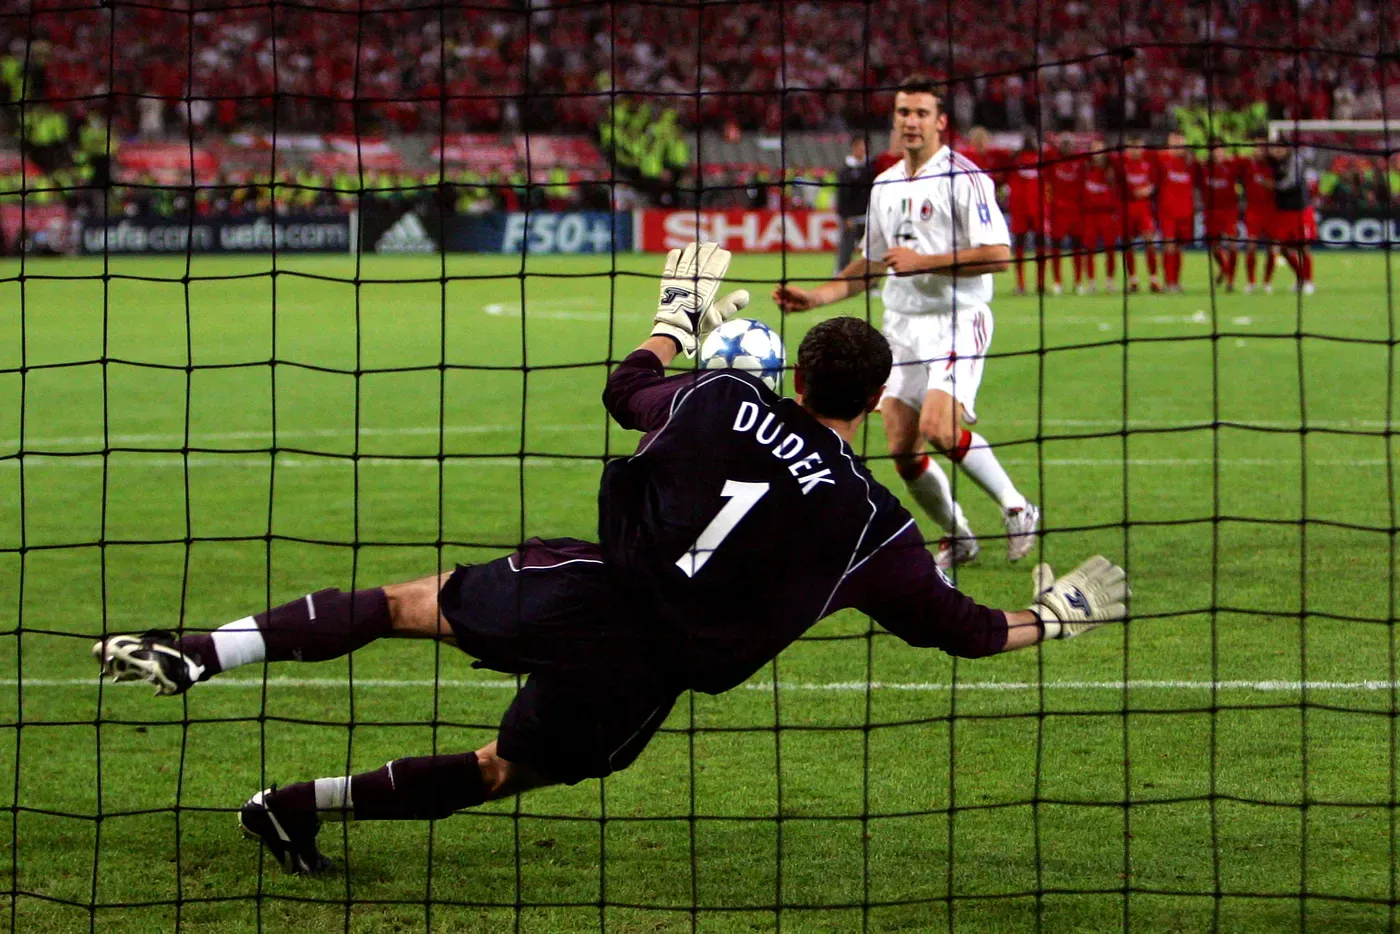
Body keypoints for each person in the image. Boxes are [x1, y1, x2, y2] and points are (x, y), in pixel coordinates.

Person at [91, 242, 1129, 875]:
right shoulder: (873, 522)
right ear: (867, 401)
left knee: (403, 603)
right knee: (503, 770)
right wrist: (1063, 614)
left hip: (587, 587)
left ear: (799, 369)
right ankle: (289, 807)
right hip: (647, 670)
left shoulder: (720, 397)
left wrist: (673, 320)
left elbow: (623, 386)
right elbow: (973, 633)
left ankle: (198, 653)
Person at [772, 75, 1040, 569]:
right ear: (894, 120)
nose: (910, 122)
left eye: (920, 113)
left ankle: (1018, 507)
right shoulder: (886, 183)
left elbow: (1000, 256)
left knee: (940, 427)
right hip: (901, 325)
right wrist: (816, 296)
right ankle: (958, 536)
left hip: (956, 319)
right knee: (901, 447)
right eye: (902, 113)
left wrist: (926, 261)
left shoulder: (965, 177)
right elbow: (869, 264)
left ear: (940, 122)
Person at [1268, 139, 1317, 294]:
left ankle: (1308, 281)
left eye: (1279, 149)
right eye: (1274, 149)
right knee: (1283, 248)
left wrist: (1271, 185)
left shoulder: (1294, 160)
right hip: (1283, 211)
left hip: (1300, 210)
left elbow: (1289, 183)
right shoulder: (1273, 162)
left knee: (1303, 246)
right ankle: (1300, 278)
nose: (1276, 152)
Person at [1004, 132, 1048, 296]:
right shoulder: (1017, 159)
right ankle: (1027, 284)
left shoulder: (1039, 158)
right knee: (1027, 246)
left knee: (1034, 247)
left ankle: (1034, 283)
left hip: (1033, 209)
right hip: (1023, 209)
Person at [1196, 140, 1242, 292]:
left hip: (1229, 210)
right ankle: (1224, 269)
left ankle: (1230, 281)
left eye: (1220, 149)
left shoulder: (1233, 164)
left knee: (1232, 243)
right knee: (1214, 247)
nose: (1217, 152)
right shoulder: (1203, 167)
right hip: (1211, 210)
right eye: (1214, 149)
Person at [1117, 137, 1161, 293]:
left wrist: (1150, 189)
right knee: (1128, 244)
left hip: (1144, 208)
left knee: (1149, 241)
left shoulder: (1149, 162)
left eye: (1139, 147)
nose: (1136, 151)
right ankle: (1133, 280)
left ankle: (1154, 279)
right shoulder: (1121, 163)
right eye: (1133, 147)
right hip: (1127, 207)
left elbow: (1156, 182)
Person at [1154, 131, 1195, 292]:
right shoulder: (1161, 157)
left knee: (1179, 248)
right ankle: (1168, 282)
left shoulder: (1190, 162)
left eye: (1181, 142)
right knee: (1169, 246)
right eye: (1175, 142)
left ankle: (1176, 282)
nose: (1178, 146)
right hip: (1167, 210)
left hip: (1185, 211)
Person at [1046, 133, 1085, 296]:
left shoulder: (1080, 161)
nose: (1067, 146)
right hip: (1058, 211)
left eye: (1070, 143)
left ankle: (1078, 282)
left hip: (1076, 210)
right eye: (1064, 143)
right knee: (1056, 248)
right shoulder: (1052, 160)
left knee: (1077, 247)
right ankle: (1057, 282)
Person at [1077, 148, 1119, 294]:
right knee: (1089, 249)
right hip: (1089, 215)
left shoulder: (1111, 171)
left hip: (1107, 214)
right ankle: (1091, 282)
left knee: (1110, 249)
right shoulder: (1086, 169)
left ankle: (1110, 281)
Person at [1241, 142, 1277, 294]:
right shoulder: (1247, 164)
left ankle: (1267, 282)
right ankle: (1251, 282)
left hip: (1272, 211)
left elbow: (1279, 185)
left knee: (1272, 248)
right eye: (1257, 146)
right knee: (1251, 246)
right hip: (1253, 211)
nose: (1260, 150)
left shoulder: (1274, 166)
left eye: (1263, 147)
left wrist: (1266, 183)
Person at [835, 135, 873, 274]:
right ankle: (841, 275)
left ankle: (871, 282)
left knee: (870, 252)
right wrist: (844, 216)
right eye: (860, 146)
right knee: (846, 249)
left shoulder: (870, 168)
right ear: (853, 147)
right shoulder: (845, 170)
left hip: (868, 217)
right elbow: (841, 196)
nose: (862, 149)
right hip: (851, 218)